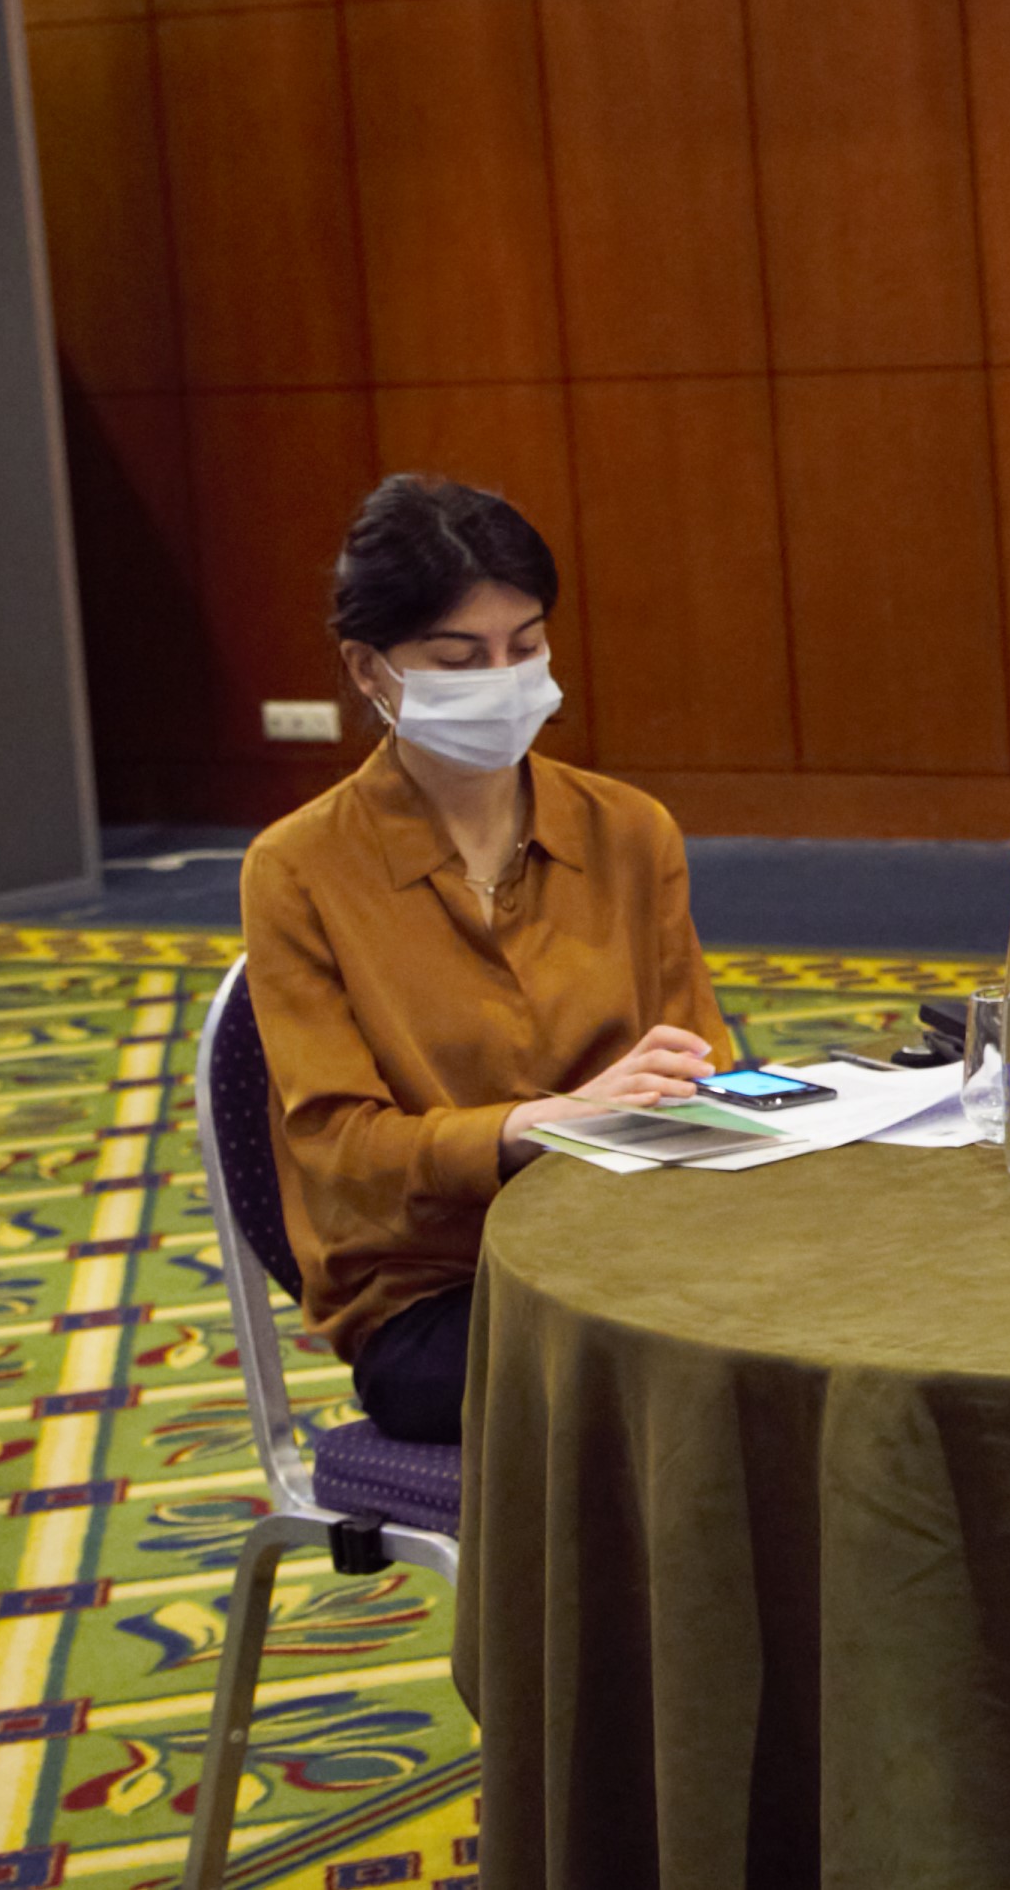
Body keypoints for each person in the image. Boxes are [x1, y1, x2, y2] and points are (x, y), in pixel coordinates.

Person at [240, 476, 732, 1445]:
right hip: (435, 1293)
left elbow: (701, 1064)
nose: (503, 680)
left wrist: (710, 1099)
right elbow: (339, 1150)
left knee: (818, 1328)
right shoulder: (299, 870)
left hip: (633, 1242)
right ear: (369, 670)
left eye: (526, 646)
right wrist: (531, 1129)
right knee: (682, 1381)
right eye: (459, 659)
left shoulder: (628, 830)